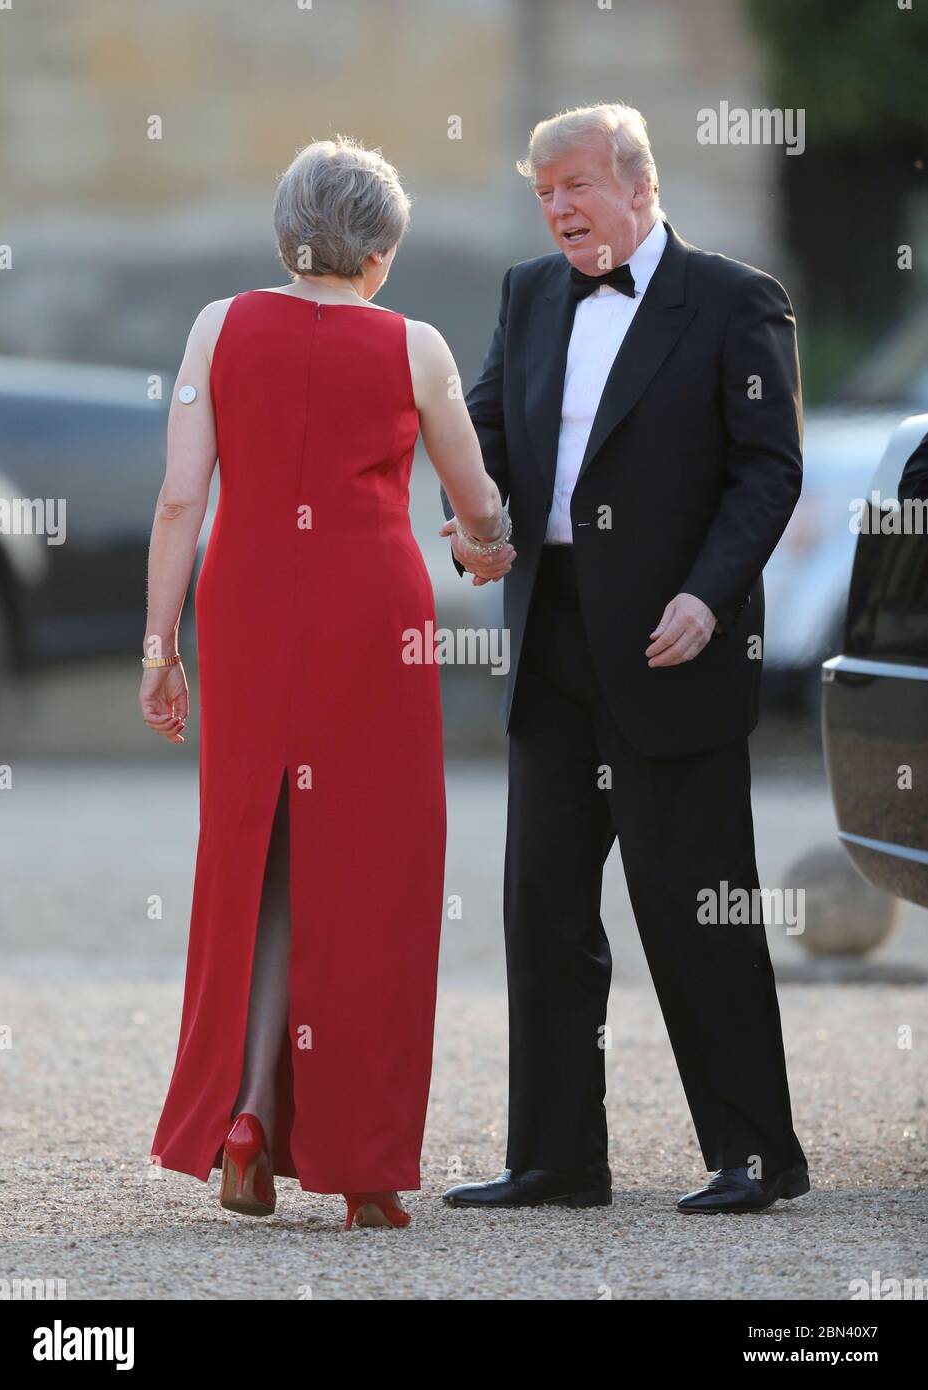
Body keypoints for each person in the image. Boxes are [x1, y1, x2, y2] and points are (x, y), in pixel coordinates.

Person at [440, 102, 809, 1214]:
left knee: (696, 904)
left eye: (577, 186)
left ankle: (756, 1152)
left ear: (640, 187)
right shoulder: (529, 291)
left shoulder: (736, 300)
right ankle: (557, 1155)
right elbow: (489, 433)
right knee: (542, 903)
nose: (558, 208)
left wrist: (709, 593)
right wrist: (472, 520)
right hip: (550, 639)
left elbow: (768, 472)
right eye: (544, 190)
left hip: (670, 646)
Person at [144, 136, 515, 1230]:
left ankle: (249, 1113)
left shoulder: (217, 325)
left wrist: (160, 649)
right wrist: (485, 545)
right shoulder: (417, 345)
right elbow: (477, 501)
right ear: (383, 251)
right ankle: (364, 1170)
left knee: (258, 853)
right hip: (373, 619)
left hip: (250, 606)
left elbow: (178, 502)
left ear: (284, 232)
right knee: (375, 870)